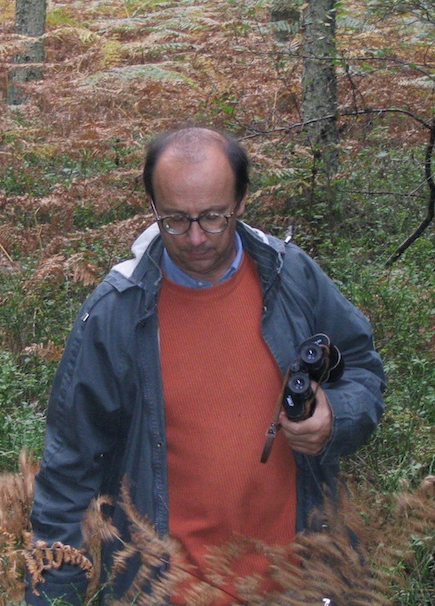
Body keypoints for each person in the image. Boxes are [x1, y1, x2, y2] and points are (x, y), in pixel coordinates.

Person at [25, 126, 386, 605]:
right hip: (168, 591)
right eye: (175, 219)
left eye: (214, 217)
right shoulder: (117, 311)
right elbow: (68, 471)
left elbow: (361, 367)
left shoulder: (292, 277)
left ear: (240, 201)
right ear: (152, 208)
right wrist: (54, 595)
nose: (195, 238)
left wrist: (335, 418)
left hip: (299, 583)